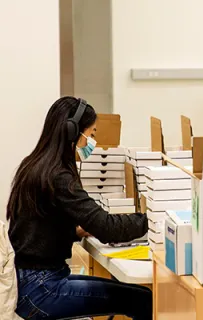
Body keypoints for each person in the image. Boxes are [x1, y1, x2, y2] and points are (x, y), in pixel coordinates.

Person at [7, 97, 152, 319]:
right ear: (72, 131)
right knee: (142, 300)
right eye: (91, 135)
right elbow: (107, 228)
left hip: (32, 282)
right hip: (41, 289)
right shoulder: (58, 176)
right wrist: (153, 220)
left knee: (139, 294)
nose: (91, 142)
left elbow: (34, 232)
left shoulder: (36, 165)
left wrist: (73, 232)